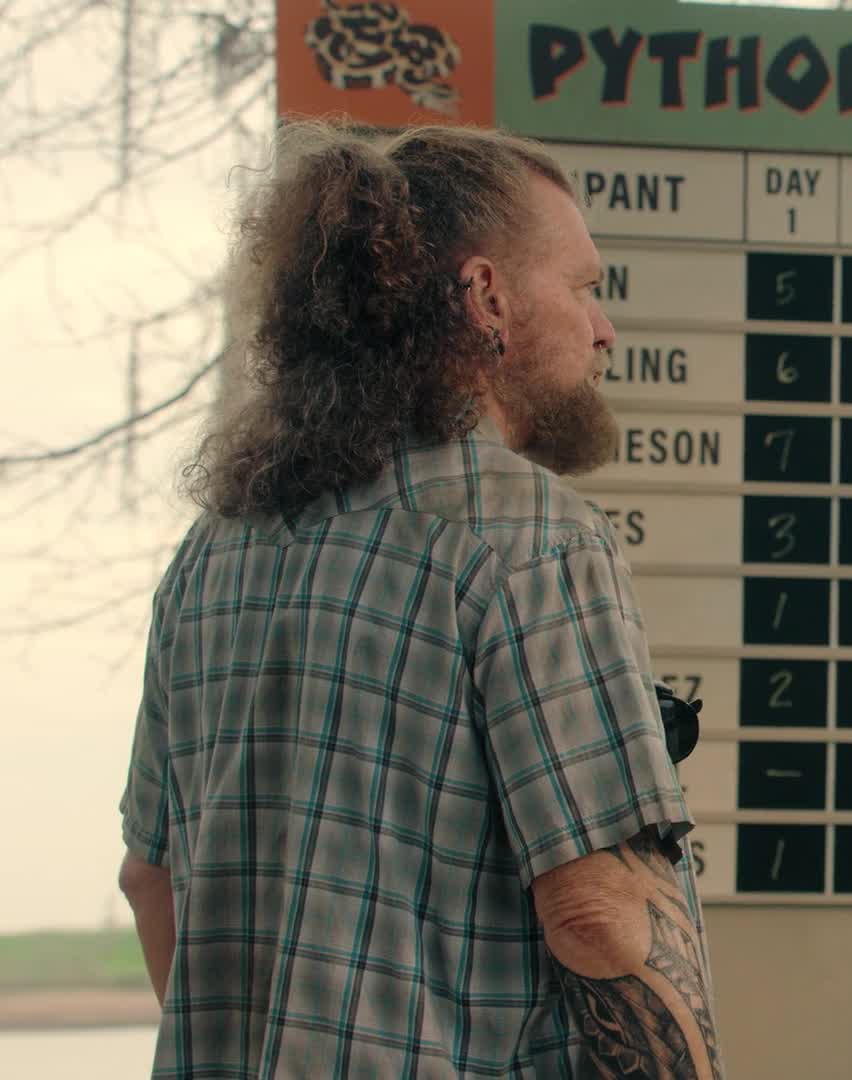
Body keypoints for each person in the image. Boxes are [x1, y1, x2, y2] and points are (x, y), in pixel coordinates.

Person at [114, 120, 723, 1078]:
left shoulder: (213, 549)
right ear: (488, 297)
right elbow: (601, 917)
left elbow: (150, 881)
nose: (604, 328)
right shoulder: (530, 536)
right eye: (583, 288)